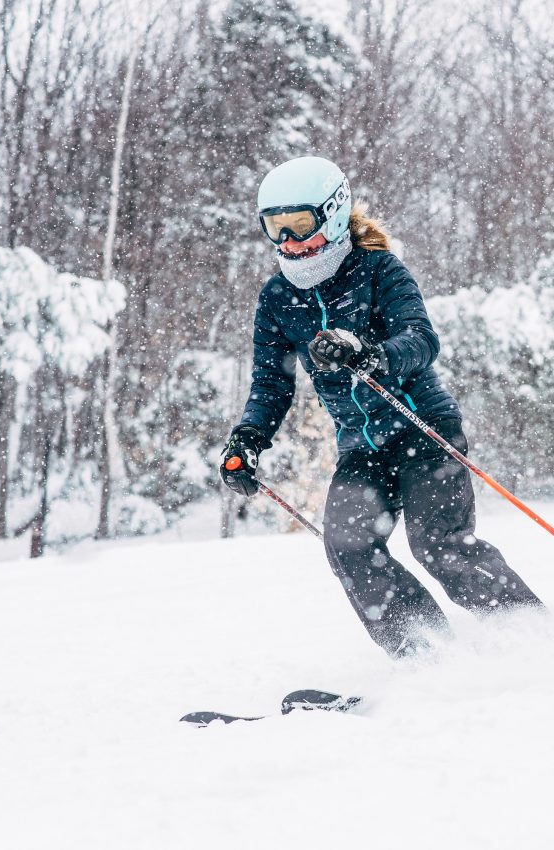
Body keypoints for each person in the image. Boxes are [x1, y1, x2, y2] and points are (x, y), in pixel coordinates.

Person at [220, 155, 541, 657]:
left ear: (332, 213)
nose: (288, 242)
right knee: (346, 546)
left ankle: (534, 637)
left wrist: (368, 354)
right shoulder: (278, 298)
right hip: (361, 446)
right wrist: (248, 440)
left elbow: (420, 339)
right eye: (274, 228)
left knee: (441, 547)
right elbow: (270, 385)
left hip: (422, 429)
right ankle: (425, 658)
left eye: (299, 225)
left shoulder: (377, 269)